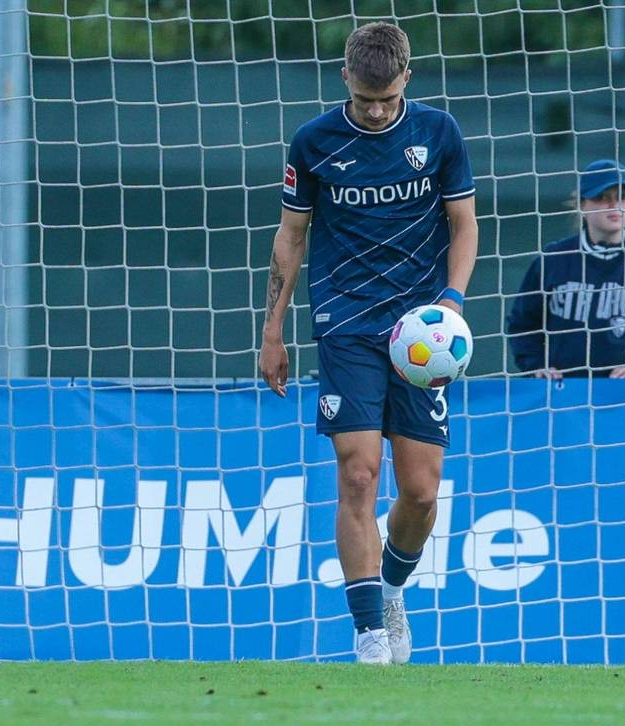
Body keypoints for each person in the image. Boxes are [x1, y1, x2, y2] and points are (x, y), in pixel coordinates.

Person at [258, 21, 478, 665]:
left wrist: (453, 303)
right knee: (357, 473)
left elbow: (463, 224)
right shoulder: (315, 142)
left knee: (421, 491)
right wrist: (272, 329)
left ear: (406, 78)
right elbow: (291, 237)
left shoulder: (439, 134)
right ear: (346, 80)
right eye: (364, 100)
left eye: (386, 99)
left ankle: (390, 589)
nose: (376, 112)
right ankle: (368, 635)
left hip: (421, 335)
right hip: (345, 323)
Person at [506, 159, 625, 379]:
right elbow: (522, 324)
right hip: (563, 397)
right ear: (582, 204)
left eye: (622, 197)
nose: (614, 205)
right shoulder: (554, 259)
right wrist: (536, 366)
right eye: (602, 197)